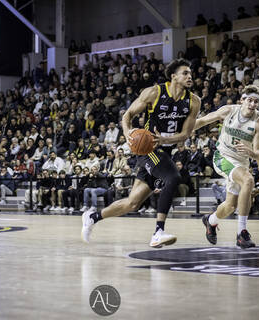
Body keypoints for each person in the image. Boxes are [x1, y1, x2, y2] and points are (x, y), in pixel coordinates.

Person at [81, 58, 201, 247]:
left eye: (190, 73)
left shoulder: (194, 101)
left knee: (132, 203)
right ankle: (158, 231)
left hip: (165, 150)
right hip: (149, 148)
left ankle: (93, 217)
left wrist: (166, 140)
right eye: (185, 73)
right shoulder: (154, 92)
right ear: (173, 76)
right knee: (173, 178)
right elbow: (127, 115)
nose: (189, 76)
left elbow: (185, 134)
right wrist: (129, 135)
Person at [194, 85, 259, 248]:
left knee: (230, 206)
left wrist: (251, 153)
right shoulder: (229, 110)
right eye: (250, 100)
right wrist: (182, 132)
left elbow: (258, 152)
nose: (252, 104)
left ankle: (210, 221)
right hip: (223, 156)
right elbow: (203, 120)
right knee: (248, 180)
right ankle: (242, 233)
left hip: (241, 162)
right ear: (242, 100)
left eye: (256, 102)